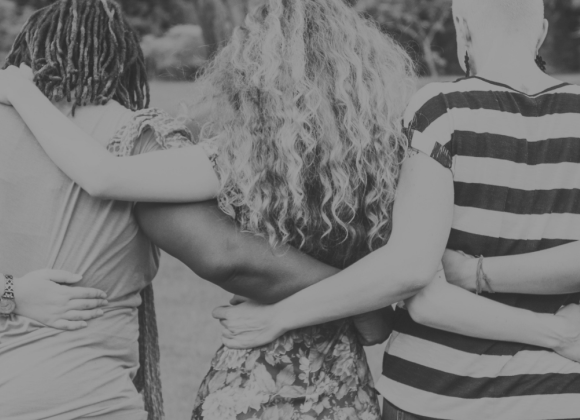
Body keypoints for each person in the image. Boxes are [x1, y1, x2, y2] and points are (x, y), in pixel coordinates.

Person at [0, 1, 394, 419]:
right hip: (90, 396)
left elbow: (105, 176)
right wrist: (359, 298)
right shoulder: (136, 139)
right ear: (123, 62)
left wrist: (5, 292)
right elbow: (223, 253)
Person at [205, 1, 580, 420]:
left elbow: (410, 269)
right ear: (542, 32)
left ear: (462, 25)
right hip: (559, 394)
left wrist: (279, 315)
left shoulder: (443, 110)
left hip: (439, 395)